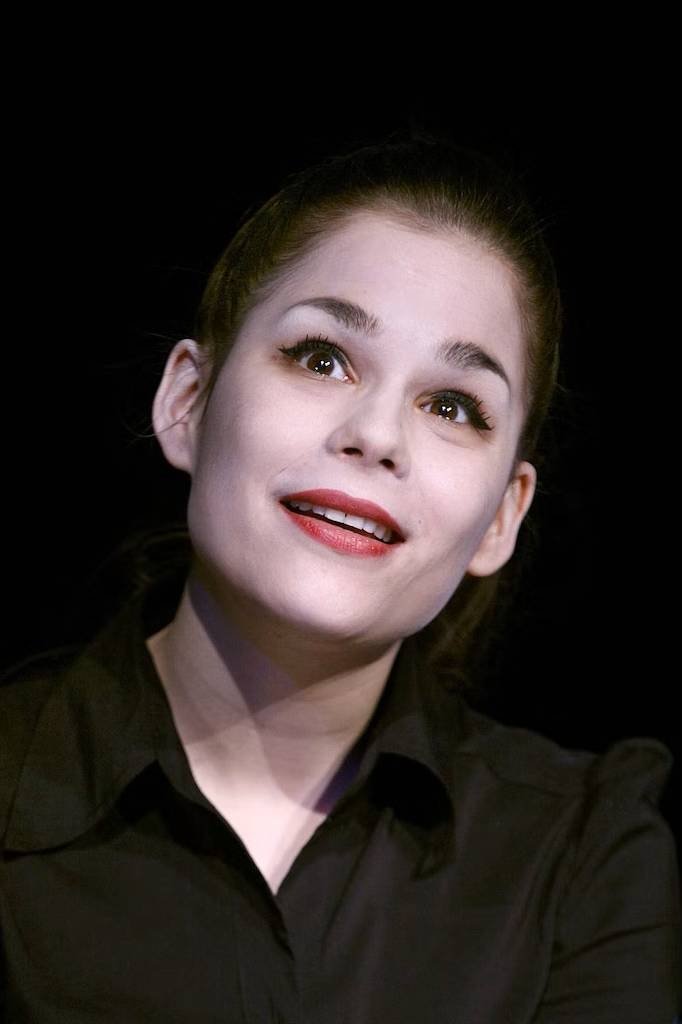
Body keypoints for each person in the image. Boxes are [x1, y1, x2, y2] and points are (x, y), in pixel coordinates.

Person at [1, 132, 680, 1022]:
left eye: (452, 406)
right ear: (188, 402)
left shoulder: (583, 854)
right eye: (322, 358)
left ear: (503, 516)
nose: (378, 435)